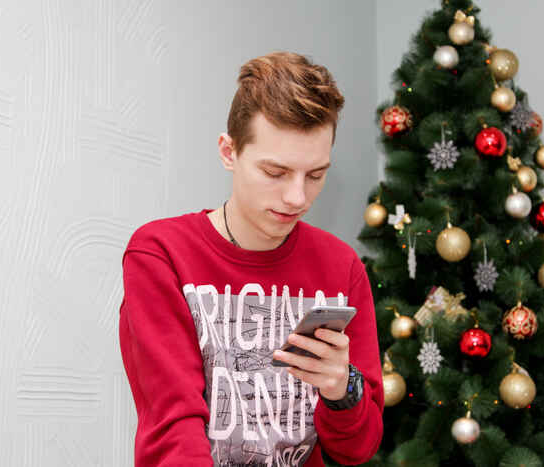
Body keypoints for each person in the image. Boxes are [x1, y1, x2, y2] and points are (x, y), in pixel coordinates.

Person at [118, 51, 384, 466]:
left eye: (315, 175)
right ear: (229, 152)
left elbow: (357, 449)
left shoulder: (341, 267)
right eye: (275, 173)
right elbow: (174, 428)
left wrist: (341, 390)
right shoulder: (161, 255)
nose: (297, 197)